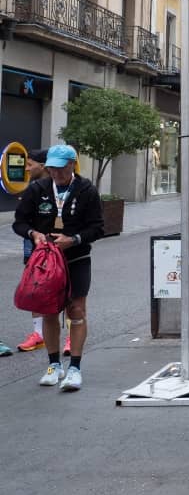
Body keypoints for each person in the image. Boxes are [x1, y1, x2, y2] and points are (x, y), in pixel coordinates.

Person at [12, 145, 104, 391]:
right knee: (49, 311)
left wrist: (73, 240)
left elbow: (98, 227)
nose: (56, 173)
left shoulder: (86, 190)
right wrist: (33, 234)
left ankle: (75, 368)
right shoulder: (37, 189)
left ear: (72, 164)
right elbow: (19, 222)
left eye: (61, 168)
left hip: (76, 258)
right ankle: (54, 365)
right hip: (45, 261)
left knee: (77, 310)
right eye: (52, 168)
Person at [16, 148, 52, 353]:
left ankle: (71, 335)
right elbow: (21, 221)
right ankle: (38, 334)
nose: (27, 169)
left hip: (57, 244)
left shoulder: (60, 186)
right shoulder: (32, 188)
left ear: (43, 166)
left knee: (67, 287)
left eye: (30, 165)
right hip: (33, 244)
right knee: (34, 287)